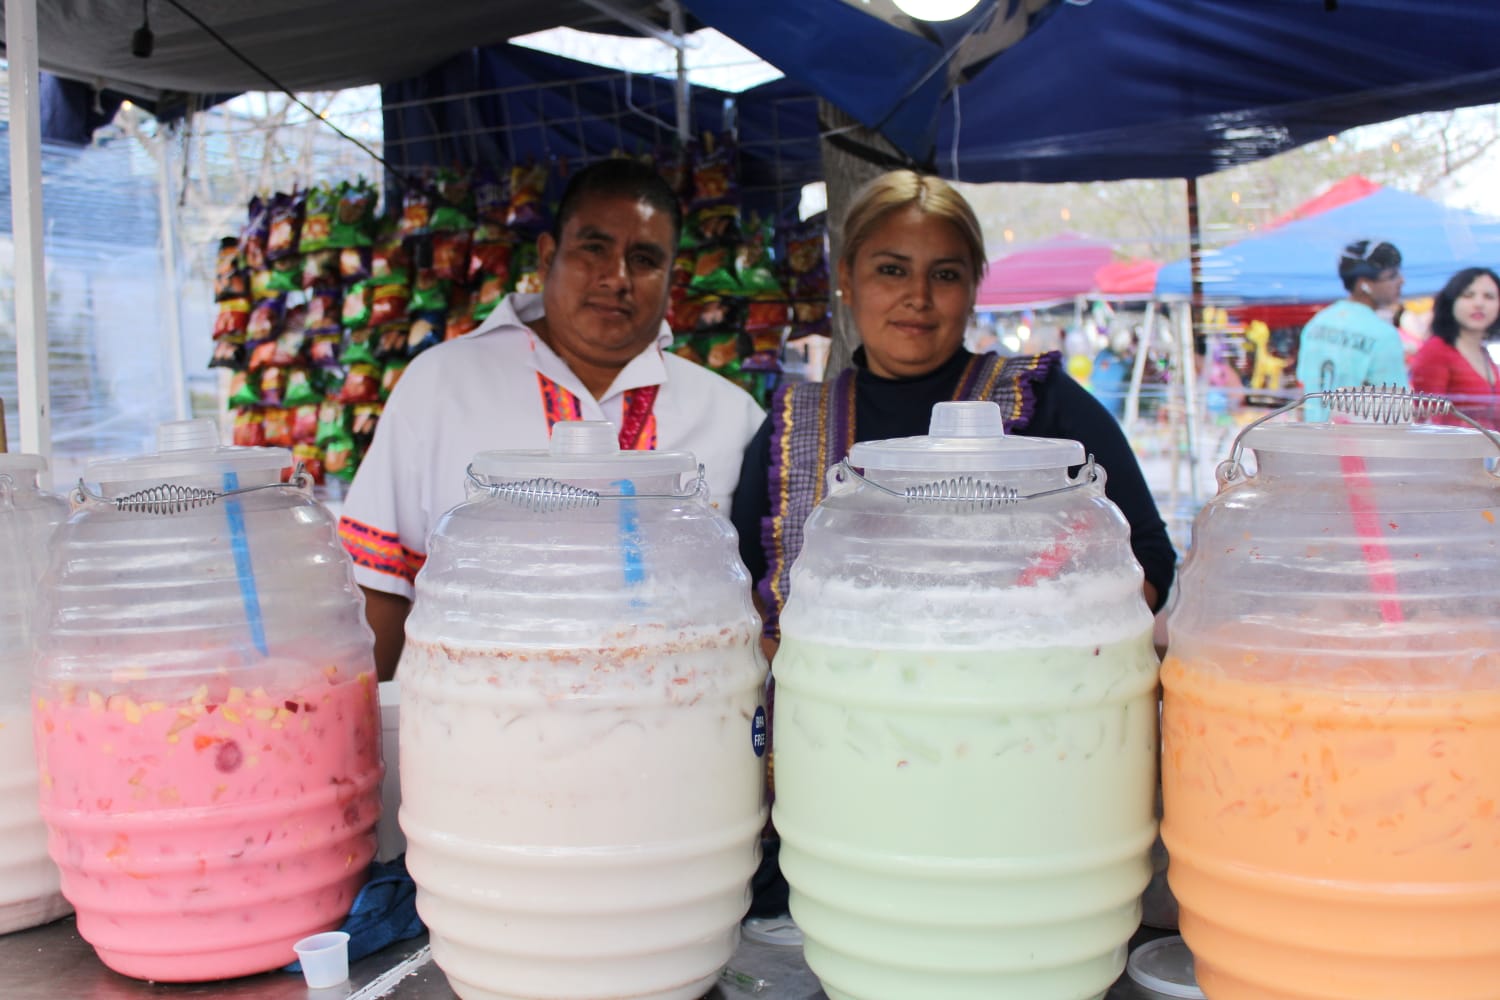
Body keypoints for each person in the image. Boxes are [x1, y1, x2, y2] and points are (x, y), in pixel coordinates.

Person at [728, 169, 1176, 920]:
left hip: (1015, 770)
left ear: (974, 288)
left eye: (945, 274)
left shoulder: (1042, 403)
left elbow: (1148, 562)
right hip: (828, 778)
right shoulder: (791, 426)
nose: (917, 297)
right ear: (846, 280)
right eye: (890, 270)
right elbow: (740, 593)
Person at [339, 158, 765, 680]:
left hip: (670, 731)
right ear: (547, 255)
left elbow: (757, 606)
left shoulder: (730, 414)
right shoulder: (442, 383)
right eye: (594, 248)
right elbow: (380, 583)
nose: (617, 278)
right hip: (472, 729)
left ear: (672, 279)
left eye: (645, 258)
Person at [1295, 238, 1408, 421]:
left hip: (1312, 440)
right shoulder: (1383, 335)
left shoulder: (1317, 323)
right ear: (1364, 283)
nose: (1402, 281)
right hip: (1354, 445)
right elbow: (1394, 413)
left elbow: (1302, 394)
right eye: (1392, 275)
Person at [1409, 266, 1500, 429]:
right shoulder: (1437, 350)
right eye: (1468, 295)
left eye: (1489, 297)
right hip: (1453, 452)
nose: (1479, 304)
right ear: (1451, 302)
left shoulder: (1484, 353)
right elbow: (1428, 420)